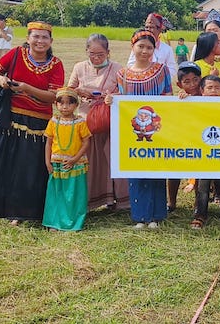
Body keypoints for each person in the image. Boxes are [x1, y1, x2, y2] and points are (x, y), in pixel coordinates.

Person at [0, 21, 64, 225]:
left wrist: (27, 88)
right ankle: (10, 211)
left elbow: (53, 97)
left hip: (39, 122)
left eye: (44, 37)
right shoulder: (15, 54)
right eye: (35, 37)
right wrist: (1, 80)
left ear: (51, 41)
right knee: (9, 166)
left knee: (31, 169)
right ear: (28, 39)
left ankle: (31, 212)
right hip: (10, 119)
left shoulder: (56, 64)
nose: (40, 41)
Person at [111, 29, 173, 229]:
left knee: (155, 170)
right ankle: (140, 215)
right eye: (141, 46)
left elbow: (168, 95)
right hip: (133, 133)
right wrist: (110, 100)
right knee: (136, 171)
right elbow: (118, 99)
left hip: (156, 130)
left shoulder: (161, 70)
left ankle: (155, 215)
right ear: (133, 47)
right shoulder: (123, 74)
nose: (145, 51)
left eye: (149, 47)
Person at [68, 33, 128, 211]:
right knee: (91, 163)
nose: (96, 58)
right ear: (86, 51)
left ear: (108, 52)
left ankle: (115, 199)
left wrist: (110, 97)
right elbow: (69, 90)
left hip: (109, 121)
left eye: (100, 54)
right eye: (92, 54)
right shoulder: (79, 67)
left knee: (109, 159)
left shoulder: (117, 69)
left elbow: (125, 92)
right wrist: (80, 91)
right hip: (86, 122)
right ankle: (92, 199)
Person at [42, 87, 91, 231]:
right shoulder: (53, 121)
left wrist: (75, 159)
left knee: (74, 194)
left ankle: (72, 222)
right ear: (56, 104)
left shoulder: (80, 122)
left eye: (69, 103)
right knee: (57, 193)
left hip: (76, 164)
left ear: (76, 105)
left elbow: (86, 142)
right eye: (61, 103)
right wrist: (47, 161)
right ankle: (55, 222)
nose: (65, 107)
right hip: (56, 164)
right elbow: (49, 142)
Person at [190, 75, 220, 229]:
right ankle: (200, 214)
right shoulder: (195, 105)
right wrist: (183, 99)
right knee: (203, 186)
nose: (214, 91)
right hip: (203, 153)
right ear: (202, 91)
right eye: (209, 88)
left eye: (217, 88)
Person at [168, 61, 203, 211]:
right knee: (174, 171)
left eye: (196, 80)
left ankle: (198, 204)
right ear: (179, 84)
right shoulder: (179, 99)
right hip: (181, 139)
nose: (192, 84)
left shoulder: (207, 96)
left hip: (200, 140)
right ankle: (172, 203)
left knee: (199, 173)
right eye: (187, 81)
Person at [127, 13, 177, 81]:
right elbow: (130, 64)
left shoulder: (167, 49)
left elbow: (172, 69)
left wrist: (160, 81)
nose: (148, 30)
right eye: (147, 27)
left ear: (160, 29)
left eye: (152, 27)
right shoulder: (138, 46)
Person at [194, 32, 220, 96]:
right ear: (210, 45)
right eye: (218, 43)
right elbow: (193, 91)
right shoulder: (196, 67)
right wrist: (211, 77)